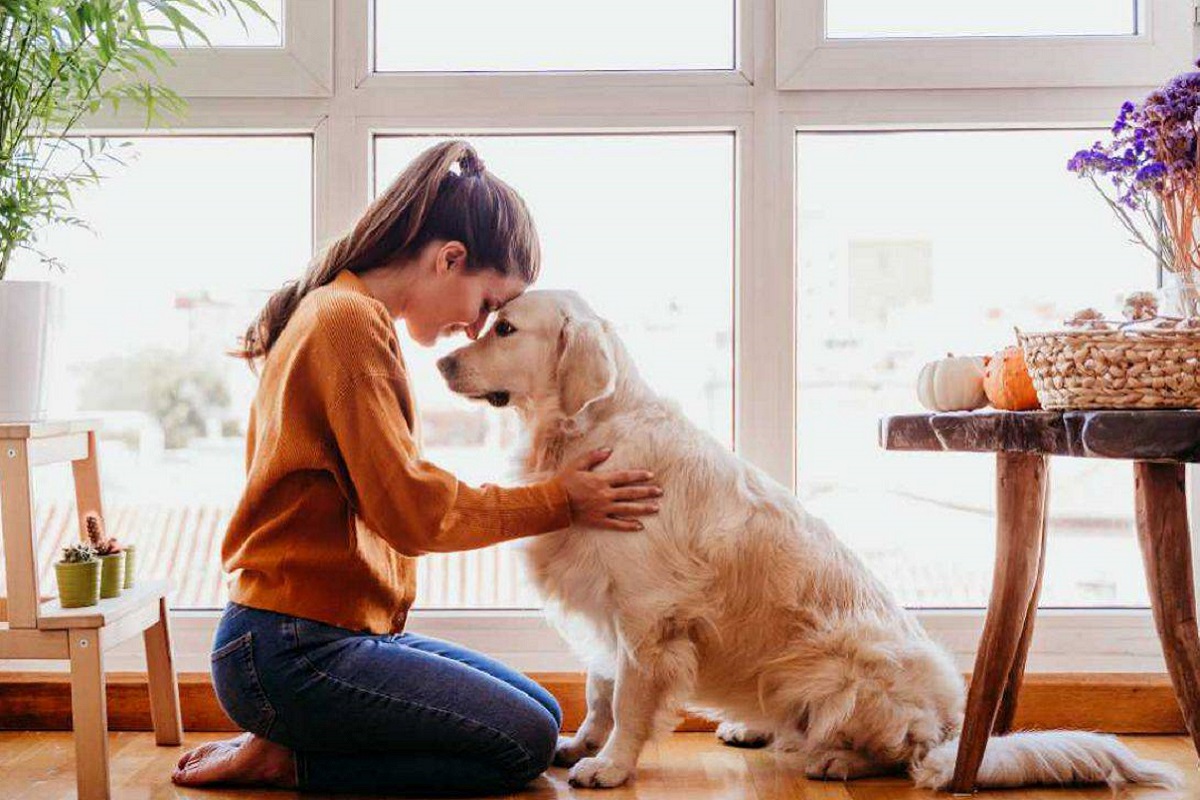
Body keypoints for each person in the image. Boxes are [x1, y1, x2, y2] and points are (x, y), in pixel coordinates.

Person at [172, 140, 661, 794]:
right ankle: (292, 758)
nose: (474, 329)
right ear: (448, 258)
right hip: (289, 651)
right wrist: (560, 500)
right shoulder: (347, 323)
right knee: (523, 745)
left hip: (318, 638)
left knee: (544, 715)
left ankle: (290, 737)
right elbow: (413, 513)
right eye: (487, 305)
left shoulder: (344, 310)